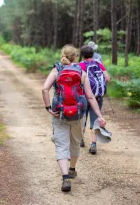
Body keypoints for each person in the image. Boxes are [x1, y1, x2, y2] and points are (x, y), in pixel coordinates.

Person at [42, 45, 106, 192]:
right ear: (75, 57)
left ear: (62, 55)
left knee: (61, 145)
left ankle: (65, 178)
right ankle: (72, 169)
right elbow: (90, 96)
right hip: (78, 114)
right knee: (75, 143)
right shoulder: (81, 72)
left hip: (60, 113)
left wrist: (48, 108)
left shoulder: (56, 70)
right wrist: (100, 116)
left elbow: (44, 89)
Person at [78, 45, 110, 154]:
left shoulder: (80, 65)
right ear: (93, 54)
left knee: (82, 119)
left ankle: (81, 140)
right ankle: (93, 144)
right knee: (95, 120)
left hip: (83, 96)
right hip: (97, 97)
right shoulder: (99, 64)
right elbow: (107, 78)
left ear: (82, 55)